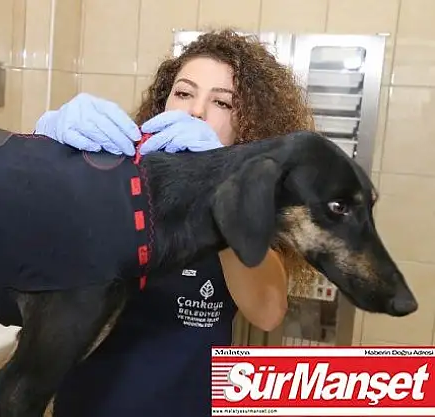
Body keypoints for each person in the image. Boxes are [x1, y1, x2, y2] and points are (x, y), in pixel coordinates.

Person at [34, 29, 317, 416]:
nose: (196, 112)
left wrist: (219, 187)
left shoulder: (249, 209)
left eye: (222, 102)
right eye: (183, 93)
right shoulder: (120, 182)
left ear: (247, 128)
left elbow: (268, 312)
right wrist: (45, 158)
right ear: (163, 104)